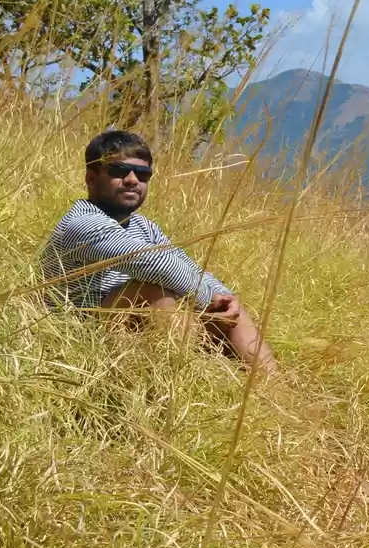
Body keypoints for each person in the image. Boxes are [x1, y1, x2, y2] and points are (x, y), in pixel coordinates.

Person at [40, 130, 278, 374]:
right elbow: (155, 264)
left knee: (230, 308)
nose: (133, 180)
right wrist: (209, 297)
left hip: (134, 332)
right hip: (82, 339)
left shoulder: (143, 226)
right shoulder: (82, 223)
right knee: (152, 294)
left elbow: (186, 265)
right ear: (91, 178)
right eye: (119, 171)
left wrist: (222, 295)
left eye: (142, 174)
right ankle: (188, 384)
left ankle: (275, 390)